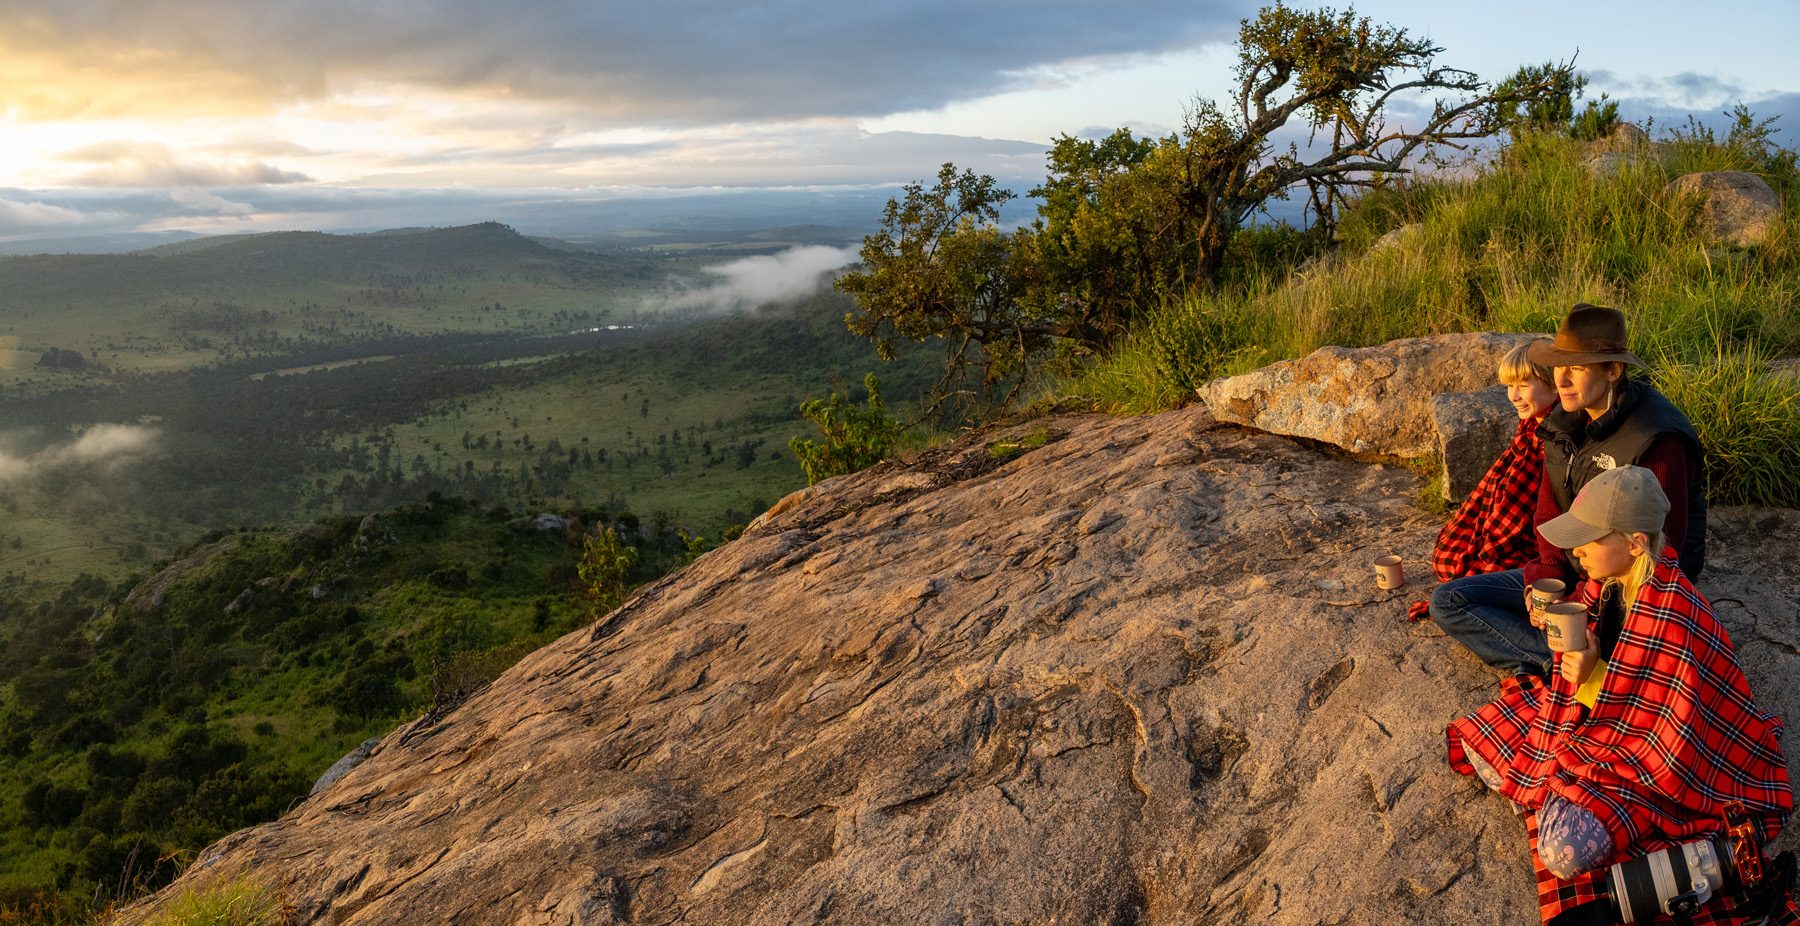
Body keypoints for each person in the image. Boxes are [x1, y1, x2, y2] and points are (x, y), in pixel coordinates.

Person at [1446, 466, 1794, 925]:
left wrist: (1591, 677)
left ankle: (1708, 854)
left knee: (1561, 852)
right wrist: (1584, 670)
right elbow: (1614, 683)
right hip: (1614, 733)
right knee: (1482, 740)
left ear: (1633, 542)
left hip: (1670, 765)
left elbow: (1668, 732)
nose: (1576, 550)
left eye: (1589, 540)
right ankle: (1566, 793)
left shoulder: (1670, 612)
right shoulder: (1609, 583)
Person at [1429, 303, 1705, 678]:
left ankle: (1576, 663)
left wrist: (1579, 600)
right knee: (1449, 600)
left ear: (1613, 370)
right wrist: (1546, 579)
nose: (1561, 380)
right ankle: (1556, 661)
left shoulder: (1656, 439)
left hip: (1628, 587)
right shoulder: (1563, 422)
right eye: (1559, 366)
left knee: (1616, 646)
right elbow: (1548, 510)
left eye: (1575, 368)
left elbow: (1660, 551)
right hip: (1577, 568)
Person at [1406, 337, 1557, 622]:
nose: (1513, 395)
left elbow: (1517, 510)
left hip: (1529, 542)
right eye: (1510, 386)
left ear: (1554, 383)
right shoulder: (1529, 427)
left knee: (1461, 580)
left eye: (1523, 385)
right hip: (1510, 527)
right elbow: (1497, 488)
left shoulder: (1551, 442)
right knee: (1447, 556)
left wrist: (1485, 552)